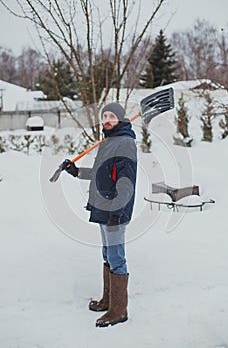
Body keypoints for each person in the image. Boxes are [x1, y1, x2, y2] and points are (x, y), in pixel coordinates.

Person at [62, 102, 137, 327]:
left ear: (121, 119)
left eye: (112, 115)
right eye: (104, 115)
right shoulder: (109, 141)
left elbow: (126, 181)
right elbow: (100, 174)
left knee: (116, 258)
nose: (106, 119)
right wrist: (76, 172)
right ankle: (108, 300)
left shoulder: (125, 143)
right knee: (107, 255)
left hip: (114, 210)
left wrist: (119, 210)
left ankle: (118, 310)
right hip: (103, 208)